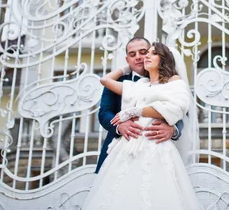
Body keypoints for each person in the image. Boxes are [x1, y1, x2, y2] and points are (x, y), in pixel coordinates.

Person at [83, 43, 200, 210]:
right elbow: (105, 84)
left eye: (148, 53)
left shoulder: (174, 81)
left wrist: (170, 127)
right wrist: (126, 68)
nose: (142, 57)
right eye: (133, 54)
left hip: (156, 146)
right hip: (130, 145)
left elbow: (179, 109)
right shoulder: (141, 85)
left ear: (163, 58)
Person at [94, 37, 184, 173]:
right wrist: (120, 126)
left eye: (143, 52)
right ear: (127, 59)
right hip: (121, 148)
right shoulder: (120, 81)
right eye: (132, 54)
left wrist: (174, 130)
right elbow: (104, 113)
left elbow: (181, 111)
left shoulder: (170, 80)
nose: (138, 57)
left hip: (155, 148)